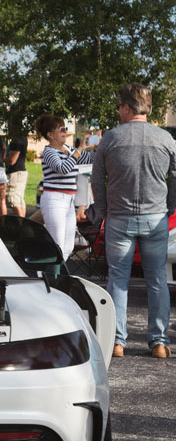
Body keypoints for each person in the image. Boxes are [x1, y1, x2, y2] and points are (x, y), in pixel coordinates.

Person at [92, 83, 176, 359]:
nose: (118, 111)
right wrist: (170, 205)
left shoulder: (111, 139)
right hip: (155, 217)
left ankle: (117, 341)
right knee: (156, 280)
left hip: (119, 216)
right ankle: (159, 342)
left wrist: (103, 210)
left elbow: (97, 179)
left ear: (127, 108)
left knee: (118, 279)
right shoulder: (165, 139)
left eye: (119, 106)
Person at [35, 114, 91, 260]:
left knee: (68, 246)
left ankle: (57, 276)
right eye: (61, 129)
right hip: (55, 199)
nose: (64, 131)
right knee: (57, 244)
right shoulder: (49, 152)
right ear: (50, 134)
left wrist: (97, 146)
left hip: (69, 201)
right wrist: (78, 150)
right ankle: (48, 276)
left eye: (65, 128)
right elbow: (62, 168)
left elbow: (90, 159)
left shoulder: (68, 149)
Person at [4, 118, 29, 217]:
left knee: (12, 199)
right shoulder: (22, 137)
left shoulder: (17, 139)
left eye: (8, 124)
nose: (7, 127)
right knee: (19, 200)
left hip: (15, 173)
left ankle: (21, 223)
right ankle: (22, 224)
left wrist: (1, 157)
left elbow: (12, 160)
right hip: (20, 172)